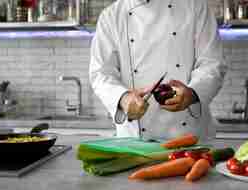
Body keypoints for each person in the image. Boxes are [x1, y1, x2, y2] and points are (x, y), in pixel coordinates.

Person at [89, 0, 227, 141]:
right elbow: (101, 74)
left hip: (188, 137)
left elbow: (212, 64)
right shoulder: (111, 16)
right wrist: (123, 98)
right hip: (134, 140)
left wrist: (192, 93)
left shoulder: (196, 7)